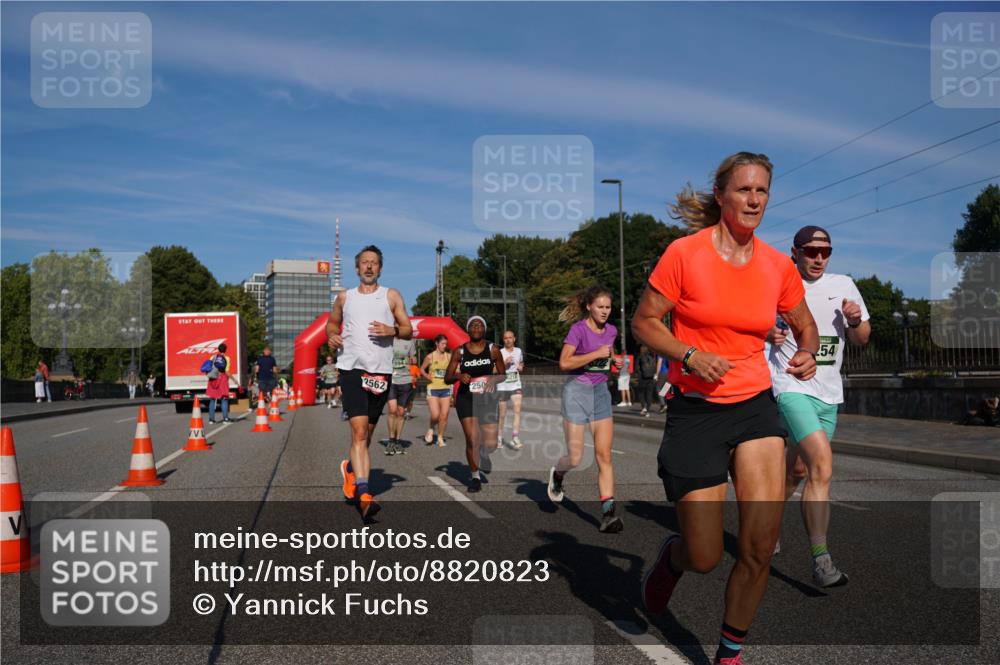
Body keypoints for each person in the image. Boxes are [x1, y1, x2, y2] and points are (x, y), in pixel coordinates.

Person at [632, 152, 819, 665]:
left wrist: (806, 351)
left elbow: (805, 325)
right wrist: (688, 354)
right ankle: (672, 561)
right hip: (696, 413)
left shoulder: (778, 265)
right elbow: (645, 321)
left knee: (759, 547)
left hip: (756, 406)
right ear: (721, 196)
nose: (754, 199)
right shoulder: (684, 254)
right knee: (705, 554)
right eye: (744, 190)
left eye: (762, 190)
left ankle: (730, 654)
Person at [767, 225, 871, 588]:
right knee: (822, 465)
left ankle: (767, 527)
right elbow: (750, 328)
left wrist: (856, 320)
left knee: (797, 471)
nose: (818, 258)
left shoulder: (843, 285)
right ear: (794, 252)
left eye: (825, 252)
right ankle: (821, 560)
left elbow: (861, 339)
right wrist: (768, 333)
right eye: (811, 251)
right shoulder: (777, 283)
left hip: (829, 394)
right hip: (790, 386)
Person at [328, 245, 413, 520]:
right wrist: (332, 336)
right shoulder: (345, 297)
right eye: (364, 262)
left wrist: (392, 330)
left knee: (367, 435)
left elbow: (409, 330)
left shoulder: (391, 296)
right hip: (351, 369)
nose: (368, 267)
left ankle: (351, 471)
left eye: (373, 263)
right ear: (357, 268)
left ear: (380, 268)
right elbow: (332, 324)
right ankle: (364, 494)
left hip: (381, 372)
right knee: (360, 433)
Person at [547, 285, 625, 533]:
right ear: (590, 307)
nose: (605, 311)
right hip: (576, 393)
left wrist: (614, 360)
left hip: (601, 394)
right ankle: (558, 475)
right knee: (577, 458)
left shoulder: (612, 330)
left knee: (605, 456)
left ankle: (608, 514)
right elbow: (564, 362)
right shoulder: (578, 330)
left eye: (608, 307)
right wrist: (594, 354)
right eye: (600, 307)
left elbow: (607, 353)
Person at [445, 316, 505, 493]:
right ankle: (475, 476)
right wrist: (458, 376)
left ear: (484, 330)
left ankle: (485, 453)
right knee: (472, 439)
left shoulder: (493, 350)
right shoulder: (459, 351)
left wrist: (494, 379)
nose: (477, 327)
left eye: (480, 325)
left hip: (486, 398)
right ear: (468, 330)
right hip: (466, 397)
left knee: (491, 442)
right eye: (473, 325)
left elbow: (503, 374)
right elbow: (447, 377)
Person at [385, 337, 417, 455]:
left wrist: (413, 360)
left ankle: (397, 440)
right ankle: (391, 439)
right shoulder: (388, 340)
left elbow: (413, 358)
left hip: (405, 380)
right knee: (392, 410)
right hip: (392, 380)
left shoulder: (409, 341)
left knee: (401, 412)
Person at [496, 330, 525, 450]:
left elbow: (521, 364)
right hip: (502, 386)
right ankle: (499, 437)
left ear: (514, 339)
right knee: (502, 414)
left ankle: (515, 437)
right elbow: (494, 369)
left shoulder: (518, 351)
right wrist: (503, 363)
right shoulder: (499, 353)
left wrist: (520, 367)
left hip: (515, 385)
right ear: (503, 340)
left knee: (517, 410)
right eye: (505, 338)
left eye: (510, 338)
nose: (508, 340)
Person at [421, 334, 451, 447]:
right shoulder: (430, 357)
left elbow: (455, 368)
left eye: (446, 344)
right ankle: (431, 428)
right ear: (436, 344)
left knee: (445, 415)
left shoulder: (449, 357)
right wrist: (426, 376)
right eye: (443, 344)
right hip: (433, 388)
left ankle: (440, 437)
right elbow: (422, 369)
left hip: (445, 388)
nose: (444, 346)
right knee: (435, 415)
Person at [206, 343, 233, 424]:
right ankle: (225, 419)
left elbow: (208, 368)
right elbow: (226, 371)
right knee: (224, 399)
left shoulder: (212, 357)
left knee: (212, 399)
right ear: (225, 350)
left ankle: (211, 419)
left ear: (218, 349)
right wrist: (234, 380)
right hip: (222, 379)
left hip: (213, 379)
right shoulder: (227, 358)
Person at [636, 345, 658, 417]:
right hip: (651, 378)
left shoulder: (640, 357)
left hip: (642, 378)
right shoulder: (651, 357)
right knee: (649, 394)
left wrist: (639, 375)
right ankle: (647, 410)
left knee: (640, 393)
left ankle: (644, 407)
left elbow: (637, 368)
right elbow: (655, 367)